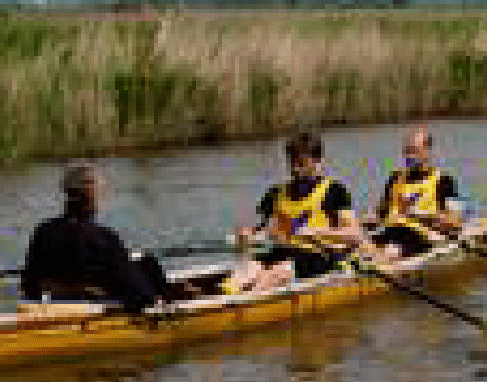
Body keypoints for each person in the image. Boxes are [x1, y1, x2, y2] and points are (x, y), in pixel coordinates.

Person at [20, 161, 198, 311]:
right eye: (98, 191)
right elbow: (139, 293)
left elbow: (28, 286)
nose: (100, 197)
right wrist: (165, 297)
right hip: (92, 308)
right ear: (86, 195)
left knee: (145, 264)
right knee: (148, 264)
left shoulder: (42, 231)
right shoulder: (103, 237)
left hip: (54, 305)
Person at [222, 130, 357, 294]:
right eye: (292, 162)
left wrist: (319, 232)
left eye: (301, 163)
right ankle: (236, 294)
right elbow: (265, 230)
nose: (295, 168)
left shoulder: (336, 192)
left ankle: (245, 302)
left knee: (278, 272)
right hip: (283, 254)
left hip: (319, 258)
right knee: (249, 270)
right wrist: (248, 234)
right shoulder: (275, 194)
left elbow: (353, 235)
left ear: (317, 162)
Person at [360, 124, 463, 259]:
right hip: (391, 235)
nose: (409, 156)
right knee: (364, 247)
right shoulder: (395, 179)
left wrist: (418, 214)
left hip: (423, 240)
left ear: (427, 151)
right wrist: (368, 220)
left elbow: (455, 223)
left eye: (415, 151)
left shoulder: (442, 181)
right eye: (407, 151)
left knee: (391, 251)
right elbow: (380, 215)